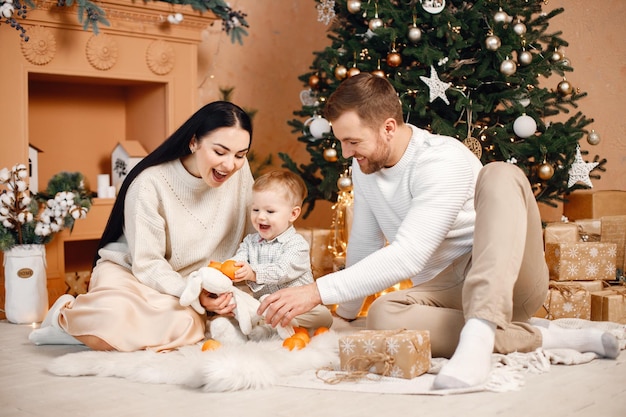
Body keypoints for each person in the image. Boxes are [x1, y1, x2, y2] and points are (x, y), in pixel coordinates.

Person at [258, 73, 620, 389]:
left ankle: (480, 334)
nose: (346, 151)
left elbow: (410, 253)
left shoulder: (441, 159)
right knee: (383, 316)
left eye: (353, 141)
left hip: (507, 280)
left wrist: (317, 291)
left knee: (500, 173)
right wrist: (345, 316)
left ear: (387, 127)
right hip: (447, 290)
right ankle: (545, 337)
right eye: (341, 141)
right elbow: (365, 245)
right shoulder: (365, 172)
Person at [29, 101, 256, 352]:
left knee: (186, 324)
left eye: (240, 155)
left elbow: (251, 233)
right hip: (133, 273)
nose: (230, 165)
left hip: (196, 282)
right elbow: (147, 263)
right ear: (194, 142)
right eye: (220, 152)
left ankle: (83, 332)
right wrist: (193, 292)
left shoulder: (240, 172)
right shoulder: (150, 183)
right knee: (113, 321)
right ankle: (65, 314)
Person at [227, 170, 333, 331]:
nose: (261, 217)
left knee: (323, 316)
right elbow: (238, 259)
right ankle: (264, 322)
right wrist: (227, 268)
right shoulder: (250, 242)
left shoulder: (297, 245)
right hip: (264, 304)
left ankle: (269, 324)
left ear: (293, 214)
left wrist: (253, 273)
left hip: (296, 307)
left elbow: (281, 271)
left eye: (270, 211)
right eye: (256, 210)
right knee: (239, 299)